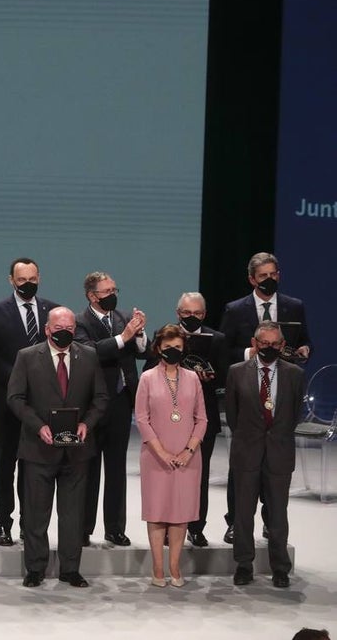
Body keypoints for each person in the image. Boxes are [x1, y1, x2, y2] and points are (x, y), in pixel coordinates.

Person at [8, 307, 107, 588]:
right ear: (47, 329)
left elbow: (100, 397)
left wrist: (87, 423)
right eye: (59, 327)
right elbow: (15, 398)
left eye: (70, 328)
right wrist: (38, 426)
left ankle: (70, 569)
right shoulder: (27, 357)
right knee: (36, 514)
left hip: (77, 451)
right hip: (38, 449)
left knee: (73, 514)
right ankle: (35, 568)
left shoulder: (89, 356)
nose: (64, 332)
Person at [219, 252, 311, 544]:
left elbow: (304, 340)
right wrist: (252, 353)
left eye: (274, 274)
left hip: (281, 389)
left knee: (275, 467)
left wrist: (305, 350)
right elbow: (223, 350)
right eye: (263, 276)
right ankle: (236, 522)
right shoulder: (236, 310)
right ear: (251, 279)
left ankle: (272, 523)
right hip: (248, 390)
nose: (269, 279)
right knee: (243, 467)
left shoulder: (294, 306)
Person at [0, 257, 60, 546]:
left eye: (32, 279)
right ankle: (3, 523)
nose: (28, 284)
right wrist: (19, 379)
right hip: (6, 402)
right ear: (11, 280)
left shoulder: (52, 310)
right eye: (22, 280)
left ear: (39, 278)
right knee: (5, 466)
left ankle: (31, 525)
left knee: (34, 468)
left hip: (41, 405)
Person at [141, 292, 229, 547]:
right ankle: (168, 527)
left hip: (201, 419)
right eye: (187, 313)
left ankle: (196, 527)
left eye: (197, 313)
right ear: (178, 313)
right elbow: (148, 369)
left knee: (197, 476)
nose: (192, 317)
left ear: (204, 314)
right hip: (164, 423)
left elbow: (225, 375)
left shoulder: (217, 339)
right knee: (167, 476)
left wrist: (208, 377)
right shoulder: (164, 335)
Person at [225, 320, 305, 589]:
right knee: (243, 513)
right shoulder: (237, 372)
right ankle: (243, 565)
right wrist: (249, 437)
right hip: (246, 452)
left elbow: (294, 414)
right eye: (264, 343)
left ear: (282, 345)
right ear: (254, 343)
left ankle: (280, 568)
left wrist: (276, 437)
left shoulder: (295, 374)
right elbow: (233, 415)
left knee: (278, 515)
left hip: (279, 454)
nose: (269, 348)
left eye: (274, 344)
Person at [73, 271, 147, 547]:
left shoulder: (123, 317)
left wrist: (139, 334)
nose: (113, 295)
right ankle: (83, 528)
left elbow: (142, 351)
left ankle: (115, 528)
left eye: (115, 290)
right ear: (92, 296)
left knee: (116, 468)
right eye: (107, 291)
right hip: (92, 405)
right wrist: (123, 337)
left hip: (120, 401)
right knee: (89, 469)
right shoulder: (80, 321)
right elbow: (89, 352)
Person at [136, 324, 207, 587]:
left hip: (188, 457)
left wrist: (189, 450)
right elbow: (142, 419)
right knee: (157, 512)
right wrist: (162, 453)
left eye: (178, 347)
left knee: (180, 512)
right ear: (158, 348)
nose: (173, 351)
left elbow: (202, 419)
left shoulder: (193, 378)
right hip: (155, 457)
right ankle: (157, 568)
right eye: (168, 347)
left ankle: (175, 566)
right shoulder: (147, 378)